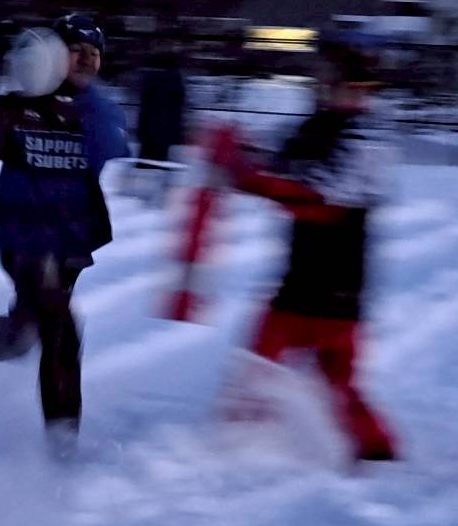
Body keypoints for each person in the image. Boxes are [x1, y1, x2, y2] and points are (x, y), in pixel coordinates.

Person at [222, 34, 398, 462]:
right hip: (310, 273)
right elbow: (275, 156)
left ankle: (238, 441)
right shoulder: (316, 126)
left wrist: (250, 178)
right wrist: (238, 148)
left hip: (331, 281)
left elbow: (321, 198)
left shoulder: (367, 139)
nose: (349, 95)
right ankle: (372, 450)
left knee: (270, 362)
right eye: (340, 85)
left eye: (358, 88)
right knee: (326, 373)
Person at [0, 13, 129, 453]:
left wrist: (85, 102)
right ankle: (62, 445)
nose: (87, 60)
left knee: (27, 332)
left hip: (70, 244)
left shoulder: (94, 111)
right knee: (61, 333)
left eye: (94, 53)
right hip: (27, 241)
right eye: (76, 50)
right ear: (52, 53)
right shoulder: (20, 109)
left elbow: (114, 145)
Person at [131, 49, 187, 204]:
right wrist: (178, 132)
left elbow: (144, 104)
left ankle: (138, 195)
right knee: (161, 162)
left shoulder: (148, 79)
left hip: (148, 128)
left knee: (145, 161)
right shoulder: (176, 80)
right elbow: (179, 107)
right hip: (166, 130)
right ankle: (158, 197)